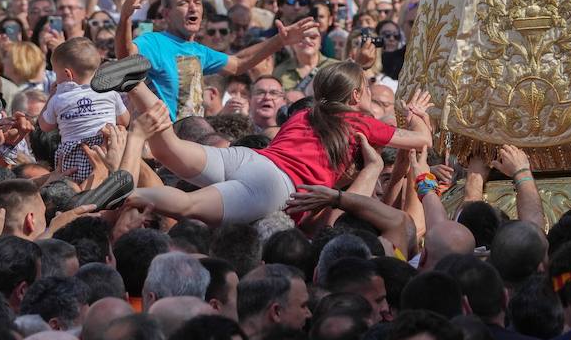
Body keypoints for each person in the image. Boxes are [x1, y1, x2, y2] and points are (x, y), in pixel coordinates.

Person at [105, 61, 433, 225]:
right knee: (190, 205)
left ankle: (136, 85)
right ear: (357, 95)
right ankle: (130, 194)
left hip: (250, 159)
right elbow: (422, 140)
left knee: (168, 149)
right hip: (275, 186)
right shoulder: (359, 121)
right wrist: (416, 112)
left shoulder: (305, 114)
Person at [114, 0, 316, 120]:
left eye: (197, 3)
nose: (193, 8)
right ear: (166, 13)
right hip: (160, 146)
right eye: (183, 3)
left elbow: (237, 64)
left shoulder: (199, 51)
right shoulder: (154, 42)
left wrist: (280, 40)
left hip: (190, 143)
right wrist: (125, 19)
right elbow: (125, 58)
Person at [38, 38, 130, 182]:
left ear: (68, 74)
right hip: (107, 151)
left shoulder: (59, 99)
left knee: (70, 188)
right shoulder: (110, 93)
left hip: (74, 156)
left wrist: (51, 96)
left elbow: (44, 125)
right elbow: (124, 121)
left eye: (56, 74)